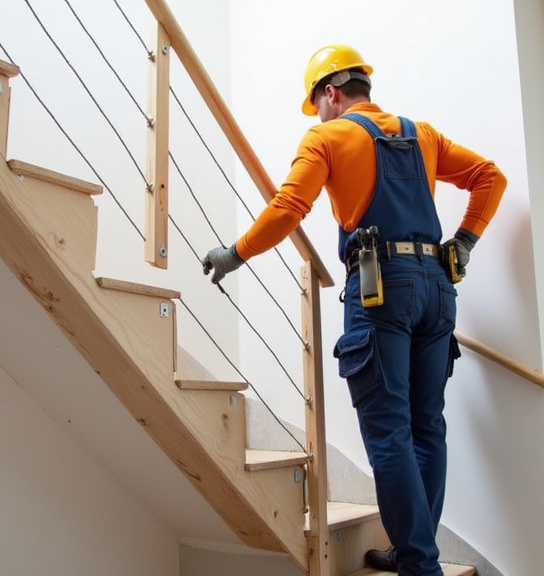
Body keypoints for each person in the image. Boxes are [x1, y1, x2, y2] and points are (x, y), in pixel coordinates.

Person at [202, 44, 506, 576]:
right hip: (437, 287)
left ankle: (419, 565)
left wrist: (234, 254)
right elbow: (490, 177)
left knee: (389, 431)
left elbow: (289, 207)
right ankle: (415, 550)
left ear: (331, 93)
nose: (316, 113)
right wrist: (465, 242)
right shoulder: (422, 133)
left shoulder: (327, 135)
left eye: (315, 102)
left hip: (380, 289)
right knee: (426, 426)